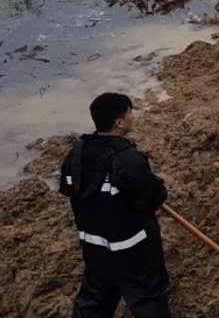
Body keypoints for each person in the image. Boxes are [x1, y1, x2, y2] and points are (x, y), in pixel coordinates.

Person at [61, 92, 170, 318]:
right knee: (148, 297)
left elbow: (66, 188)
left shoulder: (77, 154)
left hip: (94, 247)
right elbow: (154, 197)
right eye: (130, 114)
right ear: (119, 123)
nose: (132, 117)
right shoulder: (128, 158)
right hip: (133, 249)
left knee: (94, 300)